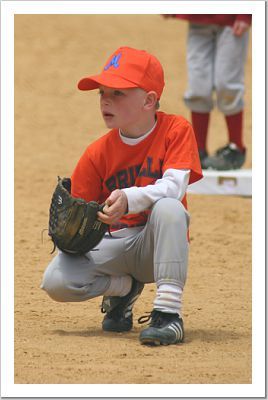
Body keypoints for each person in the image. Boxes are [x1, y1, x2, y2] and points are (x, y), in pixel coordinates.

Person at [41, 46, 202, 346]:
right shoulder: (96, 153)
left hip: (156, 250)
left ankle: (168, 315)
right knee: (56, 281)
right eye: (103, 92)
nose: (105, 99)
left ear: (149, 100)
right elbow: (78, 220)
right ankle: (123, 289)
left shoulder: (175, 130)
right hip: (114, 246)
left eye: (118, 92)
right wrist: (72, 232)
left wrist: (130, 198)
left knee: (169, 208)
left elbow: (176, 185)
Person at [164, 14, 251, 170]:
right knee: (198, 86)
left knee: (227, 84)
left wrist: (246, 14)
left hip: (231, 18)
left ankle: (235, 148)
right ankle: (198, 151)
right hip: (198, 15)